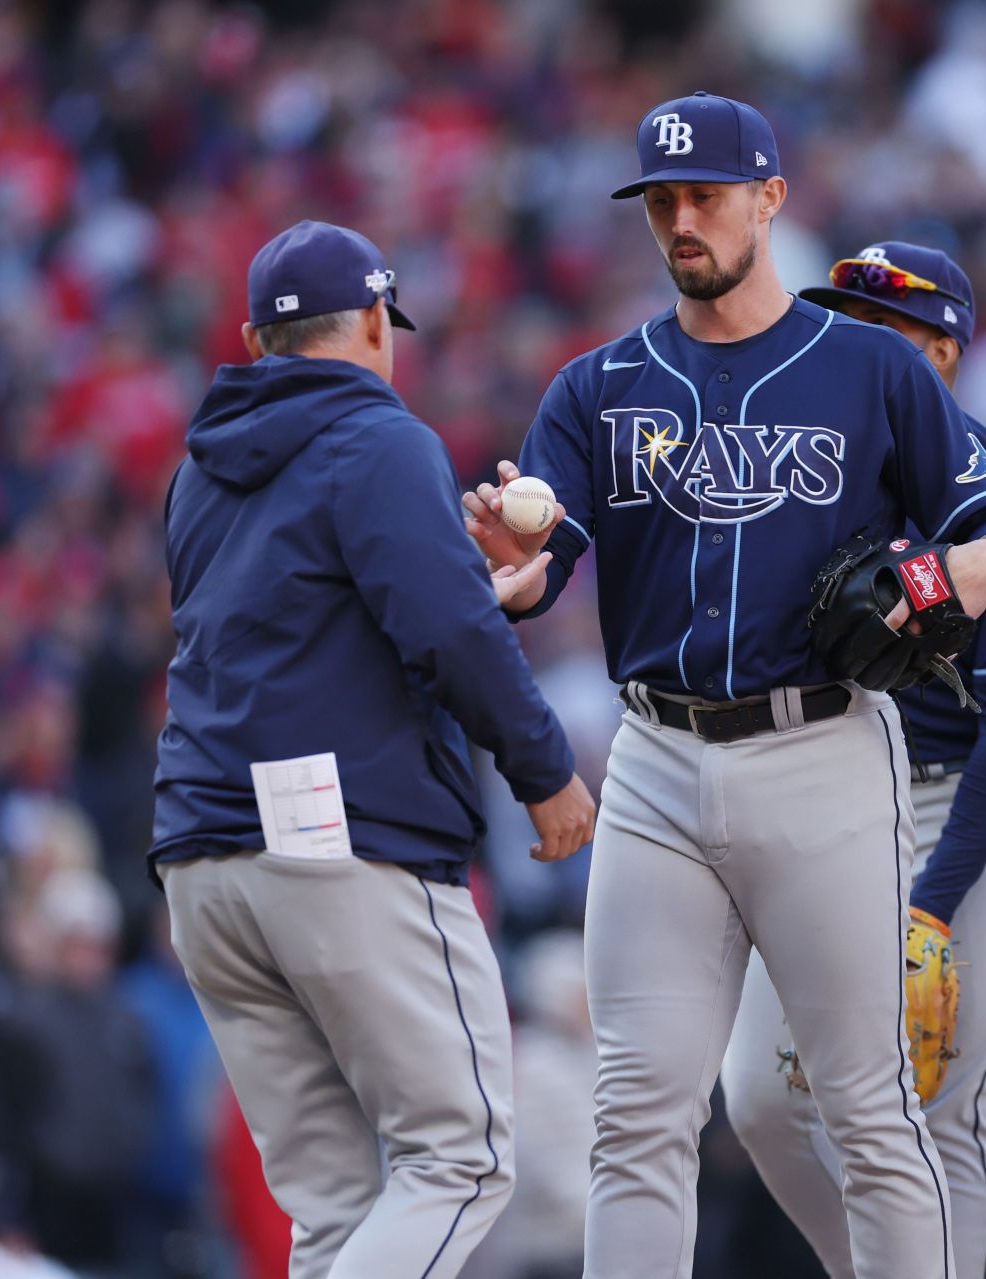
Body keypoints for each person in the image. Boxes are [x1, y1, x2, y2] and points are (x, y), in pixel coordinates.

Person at [461, 94, 986, 1279]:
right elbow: (544, 554)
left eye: (706, 195)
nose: (681, 218)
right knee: (638, 1114)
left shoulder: (872, 369)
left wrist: (967, 566)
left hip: (820, 753)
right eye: (662, 200)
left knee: (870, 1109)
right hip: (658, 762)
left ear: (771, 198)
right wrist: (514, 575)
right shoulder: (598, 386)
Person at [151, 220, 596, 1279]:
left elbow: (312, 621)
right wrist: (545, 774)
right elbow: (441, 632)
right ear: (369, 325)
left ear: (260, 339)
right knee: (466, 1155)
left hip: (205, 859)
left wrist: (471, 589)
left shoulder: (199, 471)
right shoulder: (377, 435)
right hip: (339, 841)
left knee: (340, 1203)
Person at [718, 240, 986, 1279]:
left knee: (946, 1104)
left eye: (886, 332)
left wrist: (933, 899)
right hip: (825, 799)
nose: (857, 348)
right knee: (758, 1095)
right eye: (847, 323)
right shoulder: (808, 480)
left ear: (946, 351)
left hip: (962, 810)